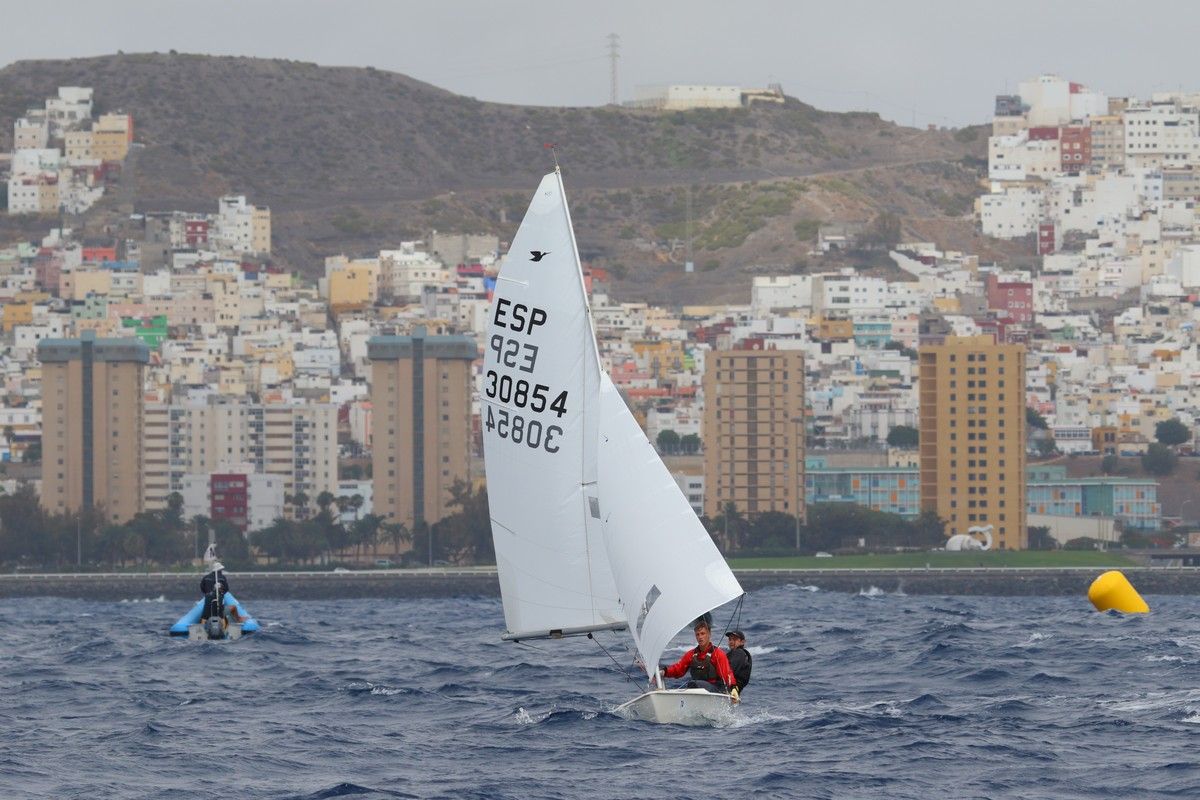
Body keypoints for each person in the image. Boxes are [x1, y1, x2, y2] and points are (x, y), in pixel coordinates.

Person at [657, 620, 739, 702]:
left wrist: (733, 688)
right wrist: (665, 671)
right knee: (693, 684)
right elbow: (679, 669)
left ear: (709, 634)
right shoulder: (691, 654)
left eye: (703, 634)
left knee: (693, 684)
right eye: (697, 634)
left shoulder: (718, 654)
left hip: (715, 691)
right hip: (698, 691)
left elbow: (727, 674)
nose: (700, 637)